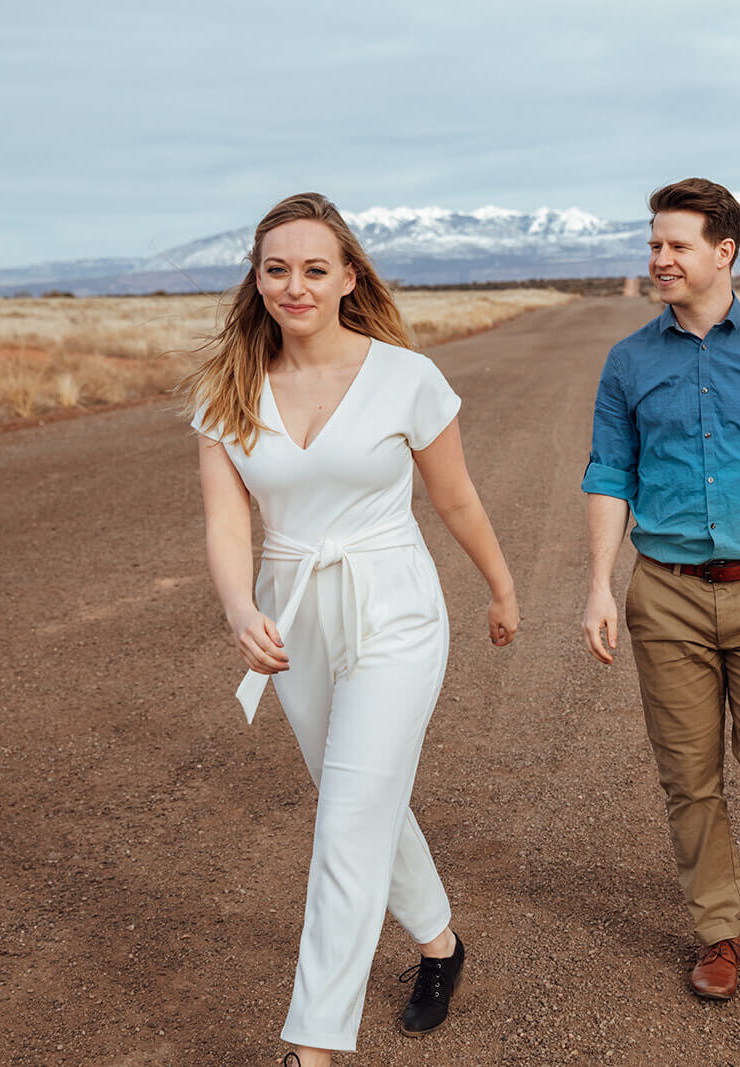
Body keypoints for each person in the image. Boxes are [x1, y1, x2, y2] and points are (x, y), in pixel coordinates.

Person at [183, 192, 519, 1066]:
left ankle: (314, 1045)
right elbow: (226, 527)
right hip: (292, 617)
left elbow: (455, 496)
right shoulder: (228, 391)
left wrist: (500, 583)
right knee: (360, 798)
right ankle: (441, 944)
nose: (294, 285)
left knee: (344, 819)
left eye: (314, 268)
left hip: (394, 607)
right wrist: (238, 608)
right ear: (256, 281)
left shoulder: (405, 376)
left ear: (348, 277)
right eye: (276, 269)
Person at [580, 178, 740, 1000]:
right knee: (687, 774)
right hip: (665, 597)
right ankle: (715, 930)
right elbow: (608, 474)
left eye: (675, 245)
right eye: (653, 244)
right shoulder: (628, 362)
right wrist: (598, 583)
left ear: (722, 251)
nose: (658, 258)